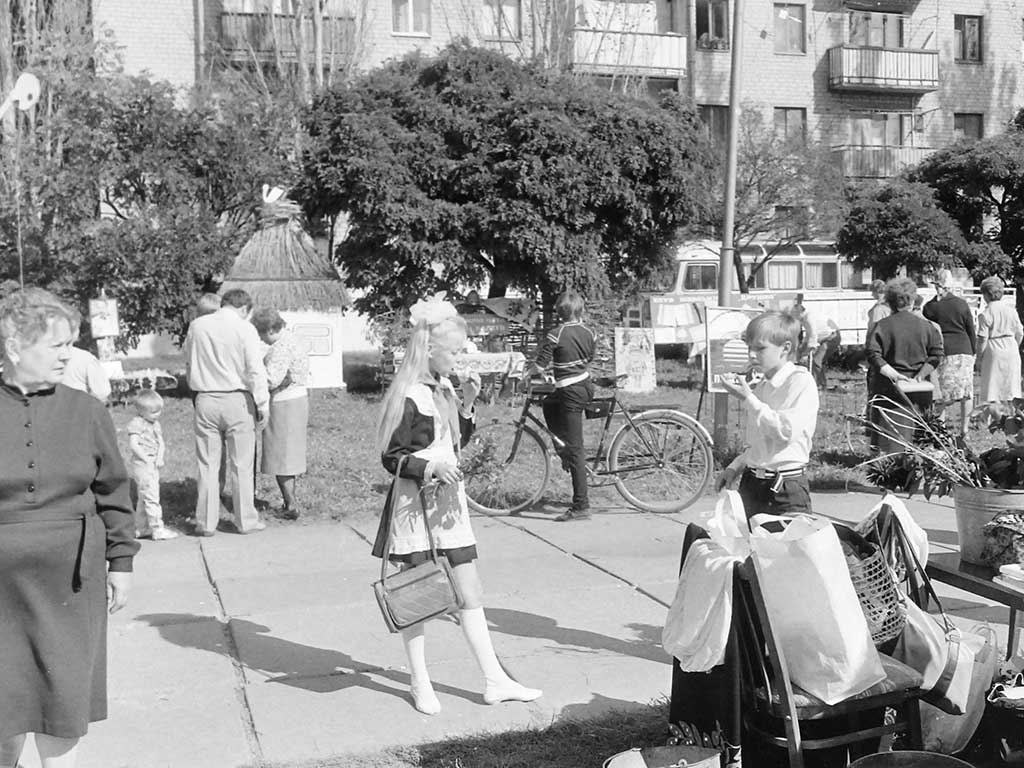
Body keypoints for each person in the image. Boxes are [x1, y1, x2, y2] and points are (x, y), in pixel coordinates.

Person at [372, 295, 541, 716]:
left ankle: (494, 680)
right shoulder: (410, 394)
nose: (458, 358)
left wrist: (466, 404)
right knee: (417, 595)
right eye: (453, 351)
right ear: (429, 350)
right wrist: (430, 469)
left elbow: (453, 439)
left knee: (470, 591)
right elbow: (392, 457)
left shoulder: (443, 387)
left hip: (449, 507)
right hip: (414, 509)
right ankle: (420, 682)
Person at [0, 287, 138, 768]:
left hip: (70, 586)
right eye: (56, 345)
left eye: (70, 344)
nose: (68, 355)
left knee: (62, 704)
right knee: (3, 710)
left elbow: (115, 490)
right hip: (1, 593)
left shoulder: (86, 410)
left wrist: (121, 562)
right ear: (16, 347)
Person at [714, 311, 819, 518]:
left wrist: (748, 398)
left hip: (785, 487)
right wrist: (734, 467)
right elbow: (760, 444)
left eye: (760, 348)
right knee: (751, 546)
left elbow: (784, 431)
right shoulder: (763, 385)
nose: (752, 355)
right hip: (753, 483)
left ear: (785, 348)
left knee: (788, 548)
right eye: (749, 348)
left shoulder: (800, 382)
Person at [183, 289, 269, 536]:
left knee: (207, 464)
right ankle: (245, 520)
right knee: (241, 463)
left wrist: (195, 389)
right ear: (244, 309)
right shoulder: (245, 329)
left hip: (206, 397)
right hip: (237, 399)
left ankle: (206, 522)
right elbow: (255, 370)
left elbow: (188, 361)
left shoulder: (197, 326)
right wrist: (263, 403)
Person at [527, 291, 596, 521]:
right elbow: (589, 358)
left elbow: (539, 366)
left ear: (558, 313)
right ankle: (564, 451)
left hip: (571, 391)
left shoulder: (556, 335)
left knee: (576, 448)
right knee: (549, 404)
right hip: (584, 385)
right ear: (581, 310)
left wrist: (527, 374)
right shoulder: (589, 333)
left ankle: (581, 506)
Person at [866, 278, 944, 452]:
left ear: (890, 301)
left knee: (890, 443)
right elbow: (936, 354)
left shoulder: (882, 326)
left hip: (889, 390)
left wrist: (893, 373)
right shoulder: (927, 326)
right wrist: (921, 374)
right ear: (913, 299)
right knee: (919, 444)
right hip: (919, 390)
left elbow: (872, 354)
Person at [251, 308, 310, 520]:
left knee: (281, 456)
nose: (260, 338)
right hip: (297, 399)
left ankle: (291, 503)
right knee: (288, 455)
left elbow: (271, 380)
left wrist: (250, 381)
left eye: (261, 333)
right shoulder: (293, 339)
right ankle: (289, 501)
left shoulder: (280, 347)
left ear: (272, 329)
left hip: (284, 402)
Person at [923, 268, 976, 437]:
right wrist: (973, 351)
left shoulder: (930, 307)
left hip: (943, 350)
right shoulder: (962, 304)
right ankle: (964, 429)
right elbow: (970, 329)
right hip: (964, 349)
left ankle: (941, 429)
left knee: (941, 394)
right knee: (966, 393)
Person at [127, 389, 176, 541]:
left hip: (153, 463)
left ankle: (141, 528)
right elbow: (134, 445)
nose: (157, 415)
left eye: (159, 411)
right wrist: (146, 459)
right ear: (141, 411)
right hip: (142, 465)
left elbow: (160, 442)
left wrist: (159, 457)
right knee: (151, 496)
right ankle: (157, 528)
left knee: (144, 496)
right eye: (153, 412)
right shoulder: (137, 424)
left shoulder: (155, 424)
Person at [977, 276, 1023, 407]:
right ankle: (1013, 417)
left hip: (994, 348)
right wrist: (1015, 345)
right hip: (1011, 347)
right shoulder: (1011, 311)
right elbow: (1020, 332)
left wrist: (979, 358)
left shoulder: (986, 314)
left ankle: (993, 416)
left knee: (992, 387)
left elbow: (982, 338)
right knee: (1012, 386)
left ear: (986, 294)